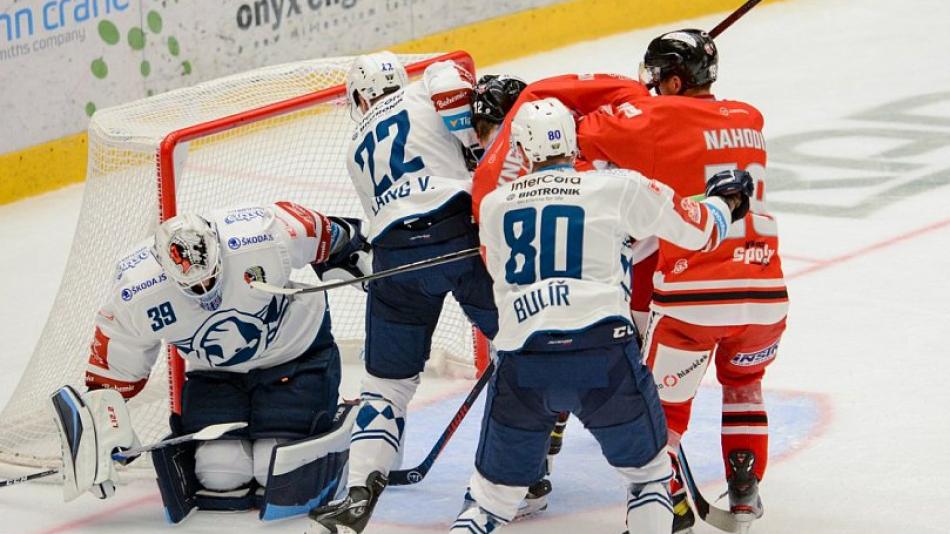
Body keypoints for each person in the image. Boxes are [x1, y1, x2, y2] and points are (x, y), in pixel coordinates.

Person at [452, 97, 753, 533]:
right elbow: (698, 230)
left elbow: (502, 277)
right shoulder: (618, 187)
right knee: (649, 479)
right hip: (603, 357)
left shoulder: (496, 206)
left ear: (522, 147)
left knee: (488, 504)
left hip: (523, 362)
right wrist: (726, 201)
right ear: (572, 143)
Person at [576, 29, 789, 531]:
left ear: (673, 79)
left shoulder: (653, 116)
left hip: (695, 294)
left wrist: (626, 97)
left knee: (659, 410)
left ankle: (666, 499)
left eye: (657, 80)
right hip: (766, 289)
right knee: (744, 385)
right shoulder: (749, 117)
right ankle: (743, 492)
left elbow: (579, 132)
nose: (649, 88)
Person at [52, 201, 371, 519]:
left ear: (218, 249)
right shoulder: (136, 291)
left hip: (295, 353)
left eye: (210, 277)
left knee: (274, 467)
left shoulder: (262, 234)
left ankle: (341, 426)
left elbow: (329, 233)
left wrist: (358, 253)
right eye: (193, 286)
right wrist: (102, 430)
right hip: (217, 373)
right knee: (221, 472)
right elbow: (112, 374)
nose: (206, 292)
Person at [308, 52, 499, 534]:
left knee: (387, 384)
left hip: (395, 258)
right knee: (522, 350)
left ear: (360, 96)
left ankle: (357, 497)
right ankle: (526, 475)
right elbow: (456, 86)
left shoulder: (354, 145)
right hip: (458, 238)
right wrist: (474, 145)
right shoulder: (424, 87)